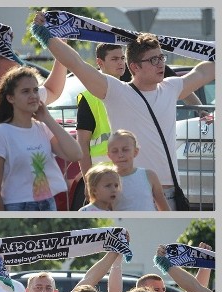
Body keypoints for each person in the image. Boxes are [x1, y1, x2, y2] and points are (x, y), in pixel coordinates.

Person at [33, 12, 215, 209]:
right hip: (133, 191)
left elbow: (204, 71)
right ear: (134, 66)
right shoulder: (117, 91)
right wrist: (46, 33)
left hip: (171, 192)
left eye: (161, 57)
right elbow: (75, 63)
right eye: (153, 60)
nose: (161, 63)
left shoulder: (170, 87)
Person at [0, 66, 82, 211]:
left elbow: (76, 154)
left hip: (48, 203)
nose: (33, 95)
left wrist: (48, 119)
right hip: (16, 206)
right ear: (10, 98)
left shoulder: (42, 128)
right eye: (25, 91)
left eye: (36, 90)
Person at [76, 44, 126, 182]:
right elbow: (82, 144)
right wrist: (88, 181)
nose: (121, 62)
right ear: (100, 62)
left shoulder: (131, 92)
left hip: (130, 173)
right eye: (115, 59)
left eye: (122, 58)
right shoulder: (89, 98)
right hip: (102, 177)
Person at [107, 130, 170, 211]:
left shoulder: (149, 175)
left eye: (125, 149)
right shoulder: (105, 181)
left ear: (135, 152)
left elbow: (164, 208)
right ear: (109, 155)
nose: (120, 155)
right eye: (115, 151)